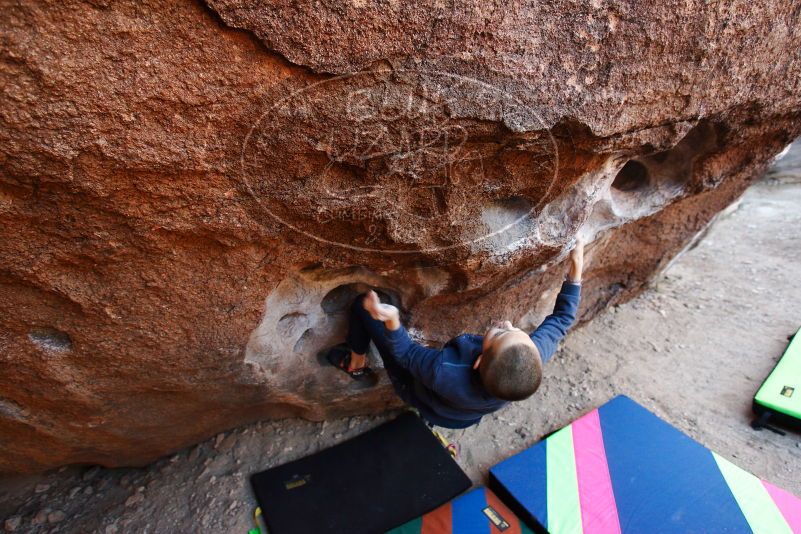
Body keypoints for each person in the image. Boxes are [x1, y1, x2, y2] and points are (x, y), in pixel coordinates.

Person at [325, 240, 584, 429]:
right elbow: (562, 320)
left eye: (501, 334)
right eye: (519, 331)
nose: (508, 323)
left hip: (418, 391)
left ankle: (356, 364)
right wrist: (575, 271)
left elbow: (404, 353)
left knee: (362, 305)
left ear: (479, 361)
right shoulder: (525, 364)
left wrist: (391, 319)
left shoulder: (444, 370)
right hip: (460, 418)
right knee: (442, 402)